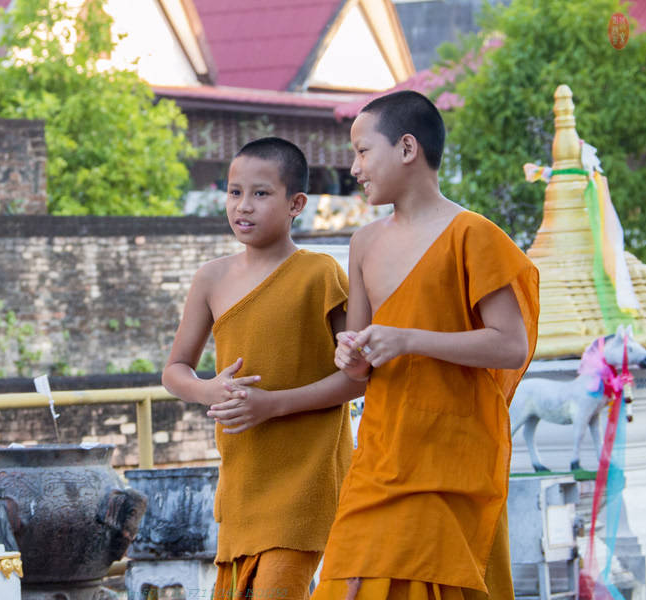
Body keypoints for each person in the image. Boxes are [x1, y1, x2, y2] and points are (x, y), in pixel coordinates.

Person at [311, 91, 540, 600]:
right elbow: (360, 368)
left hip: (452, 449)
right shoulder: (364, 244)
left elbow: (510, 346)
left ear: (408, 148)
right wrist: (350, 354)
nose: (355, 168)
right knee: (346, 580)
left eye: (364, 151)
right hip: (382, 452)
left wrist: (411, 339)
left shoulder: (473, 235)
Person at [162, 137, 365, 600]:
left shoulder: (320, 274)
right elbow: (175, 369)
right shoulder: (211, 278)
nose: (243, 207)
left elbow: (359, 376)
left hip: (309, 473)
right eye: (234, 192)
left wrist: (272, 405)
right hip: (243, 475)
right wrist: (207, 390)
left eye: (260, 193)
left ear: (296, 203)